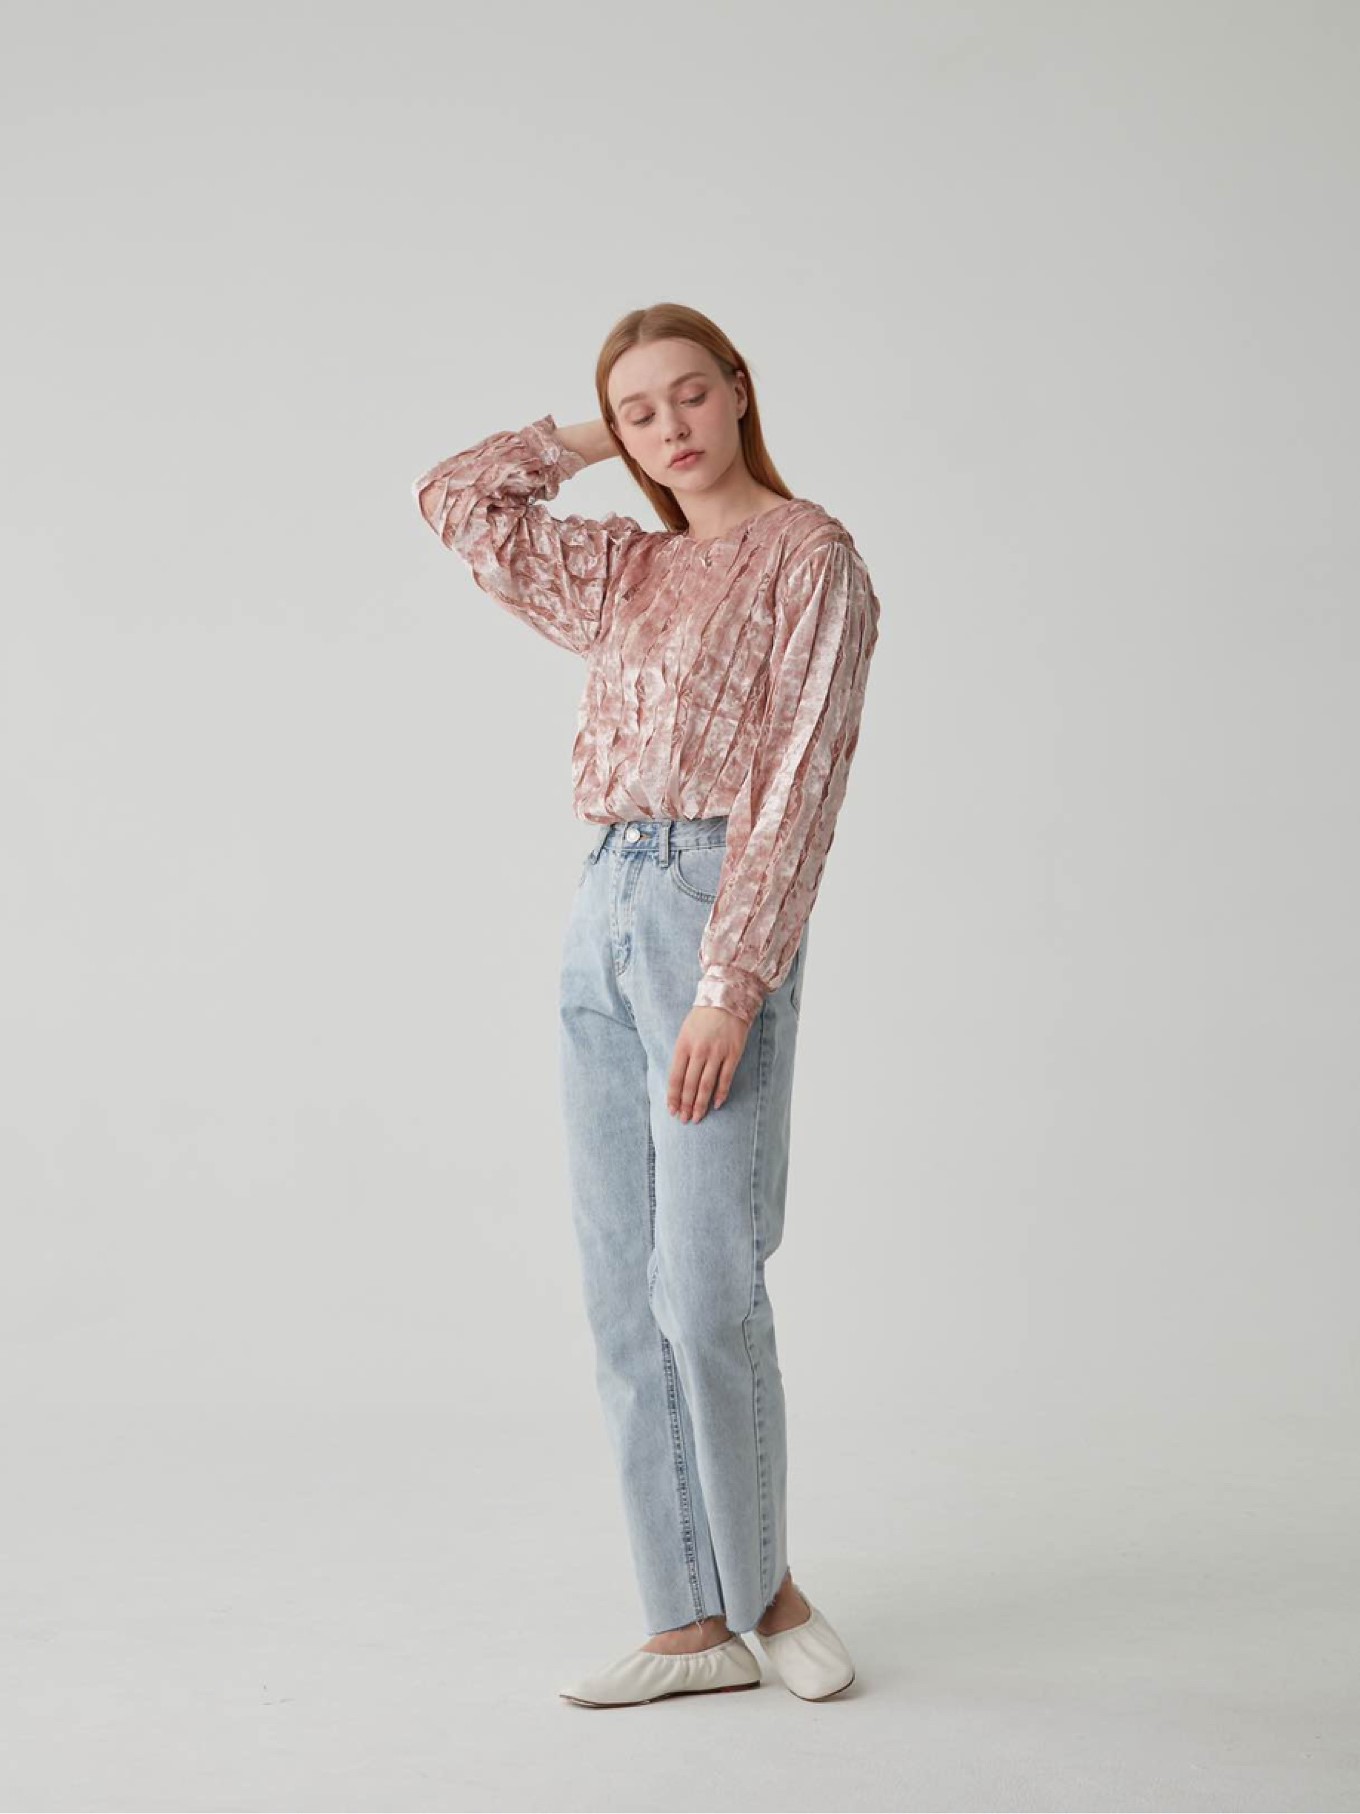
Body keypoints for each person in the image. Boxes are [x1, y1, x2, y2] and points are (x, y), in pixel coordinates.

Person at [412, 302, 880, 1708]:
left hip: (710, 906)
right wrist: (584, 436)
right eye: (639, 410)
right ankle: (688, 1621)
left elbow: (801, 778)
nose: (669, 426)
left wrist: (733, 984)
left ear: (739, 391)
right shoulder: (627, 568)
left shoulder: (811, 557)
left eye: (689, 393)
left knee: (708, 1280)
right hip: (604, 900)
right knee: (623, 1281)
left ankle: (769, 1590)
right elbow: (457, 500)